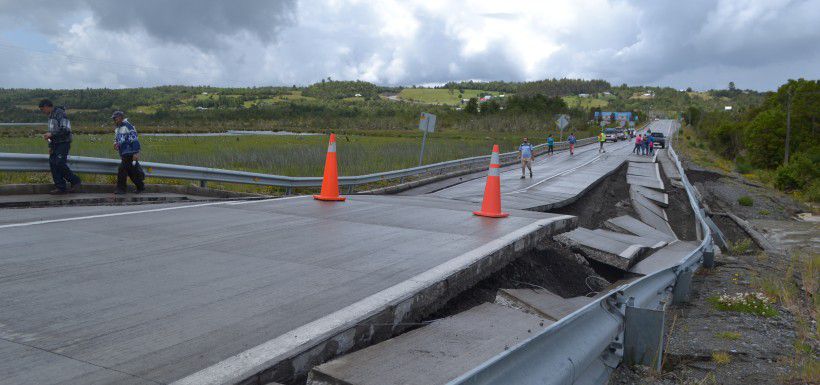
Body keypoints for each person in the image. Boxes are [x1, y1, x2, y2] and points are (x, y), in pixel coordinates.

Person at [39, 99, 81, 194]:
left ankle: (75, 181)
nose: (42, 112)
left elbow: (65, 129)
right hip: (55, 144)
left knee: (59, 163)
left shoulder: (60, 114)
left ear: (47, 106)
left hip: (63, 143)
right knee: (53, 163)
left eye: (42, 109)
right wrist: (50, 145)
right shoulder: (51, 116)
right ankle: (60, 187)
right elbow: (52, 132)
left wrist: (51, 134)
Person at [112, 111, 145, 194]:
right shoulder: (117, 129)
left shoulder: (128, 126)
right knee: (132, 172)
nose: (115, 120)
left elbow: (134, 139)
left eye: (116, 118)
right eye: (114, 118)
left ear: (121, 118)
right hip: (123, 153)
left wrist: (136, 152)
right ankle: (141, 186)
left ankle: (121, 189)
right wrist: (116, 144)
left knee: (122, 169)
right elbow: (117, 139)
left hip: (130, 152)